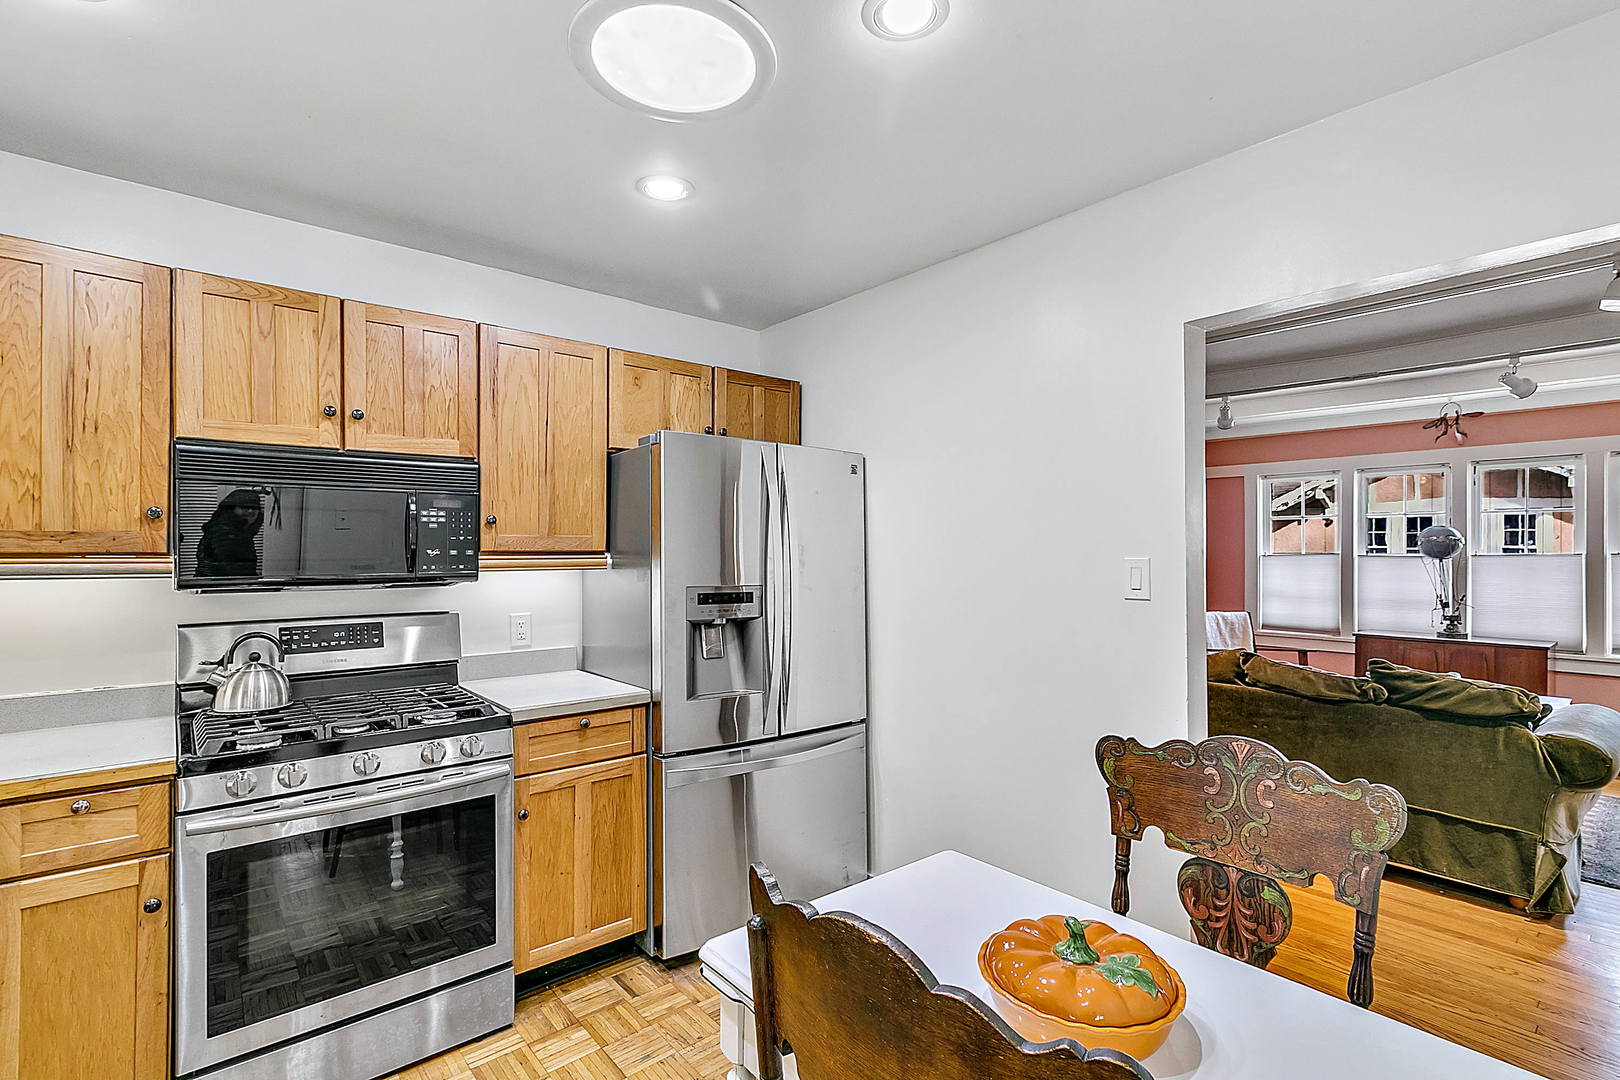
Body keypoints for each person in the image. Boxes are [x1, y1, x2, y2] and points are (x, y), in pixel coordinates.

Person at [196, 489, 264, 578]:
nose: (251, 511)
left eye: (255, 507)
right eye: (244, 507)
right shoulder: (224, 531)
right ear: (231, 509)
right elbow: (228, 569)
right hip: (218, 587)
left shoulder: (240, 531)